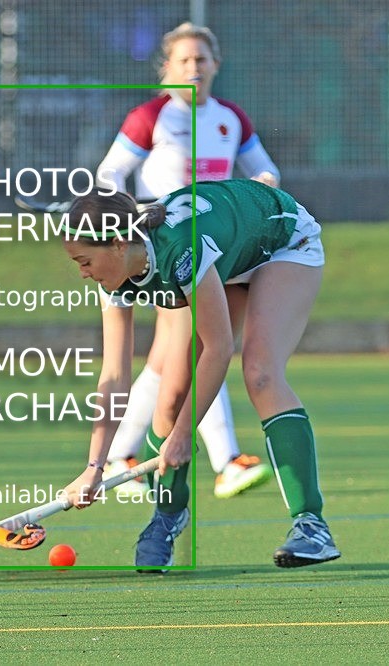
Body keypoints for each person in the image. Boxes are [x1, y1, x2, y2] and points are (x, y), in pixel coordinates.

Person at [61, 179, 341, 570]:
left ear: (120, 245)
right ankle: (168, 516)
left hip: (280, 239)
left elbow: (219, 348)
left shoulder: (179, 250)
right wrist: (94, 466)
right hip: (226, 251)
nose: (83, 274)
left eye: (85, 262)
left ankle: (312, 525)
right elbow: (113, 375)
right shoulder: (115, 273)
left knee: (260, 372)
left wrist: (183, 436)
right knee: (172, 396)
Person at [95, 23, 280, 499]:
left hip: (217, 243)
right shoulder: (151, 117)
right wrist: (127, 206)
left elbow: (265, 168)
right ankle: (226, 460)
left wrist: (261, 183)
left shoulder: (230, 118)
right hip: (166, 245)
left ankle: (121, 455)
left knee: (171, 356)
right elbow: (111, 170)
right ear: (168, 69)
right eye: (183, 61)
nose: (193, 69)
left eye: (201, 60)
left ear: (215, 65)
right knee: (198, 344)